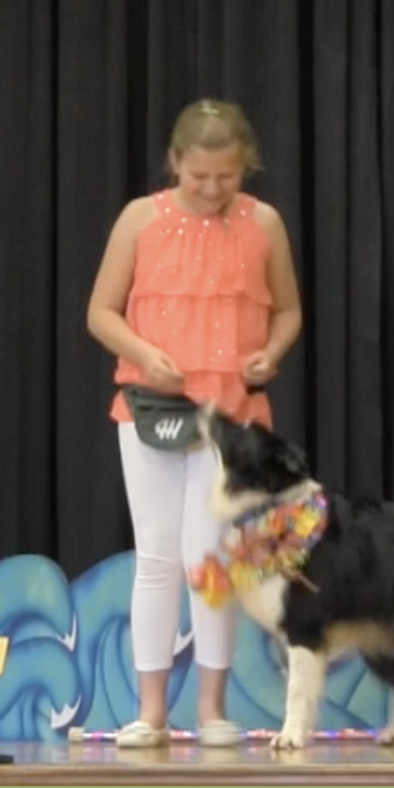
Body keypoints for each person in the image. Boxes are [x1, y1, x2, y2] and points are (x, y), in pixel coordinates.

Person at [86, 98, 303, 747]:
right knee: (155, 556)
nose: (211, 190)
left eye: (226, 178)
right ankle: (150, 710)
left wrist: (271, 350)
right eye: (198, 176)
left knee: (207, 556)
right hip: (149, 410)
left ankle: (211, 709)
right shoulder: (138, 220)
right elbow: (100, 311)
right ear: (174, 162)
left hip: (229, 414)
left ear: (245, 169)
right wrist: (143, 353)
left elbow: (288, 310)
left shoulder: (263, 223)